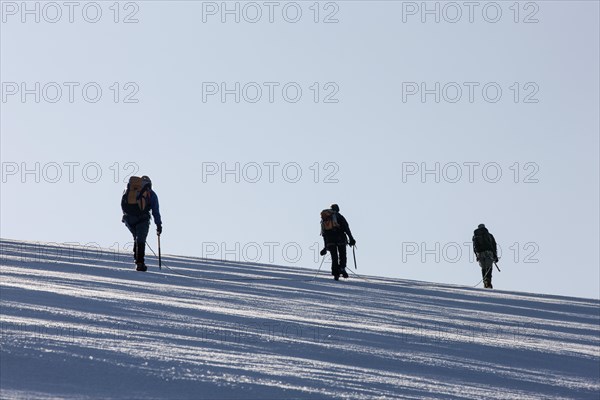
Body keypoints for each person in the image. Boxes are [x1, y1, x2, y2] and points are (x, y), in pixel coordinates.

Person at [121, 175, 162, 271]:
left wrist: (125, 217)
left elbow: (123, 203)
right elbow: (155, 211)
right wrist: (158, 224)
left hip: (129, 219)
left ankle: (137, 259)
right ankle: (140, 263)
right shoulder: (151, 194)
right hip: (142, 219)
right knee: (140, 239)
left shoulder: (129, 190)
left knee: (136, 238)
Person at [320, 204, 356, 280]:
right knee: (342, 254)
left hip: (330, 240)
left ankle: (335, 273)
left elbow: (324, 234)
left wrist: (325, 247)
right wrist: (351, 239)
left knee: (334, 257)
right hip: (340, 238)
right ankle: (342, 268)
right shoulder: (339, 216)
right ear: (338, 209)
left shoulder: (325, 219)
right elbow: (346, 228)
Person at [472, 223, 498, 288]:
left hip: (480, 254)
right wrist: (495, 256)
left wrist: (476, 255)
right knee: (489, 268)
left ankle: (485, 282)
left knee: (483, 268)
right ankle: (488, 281)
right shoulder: (489, 235)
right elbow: (494, 245)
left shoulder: (475, 236)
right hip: (489, 253)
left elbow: (474, 247)